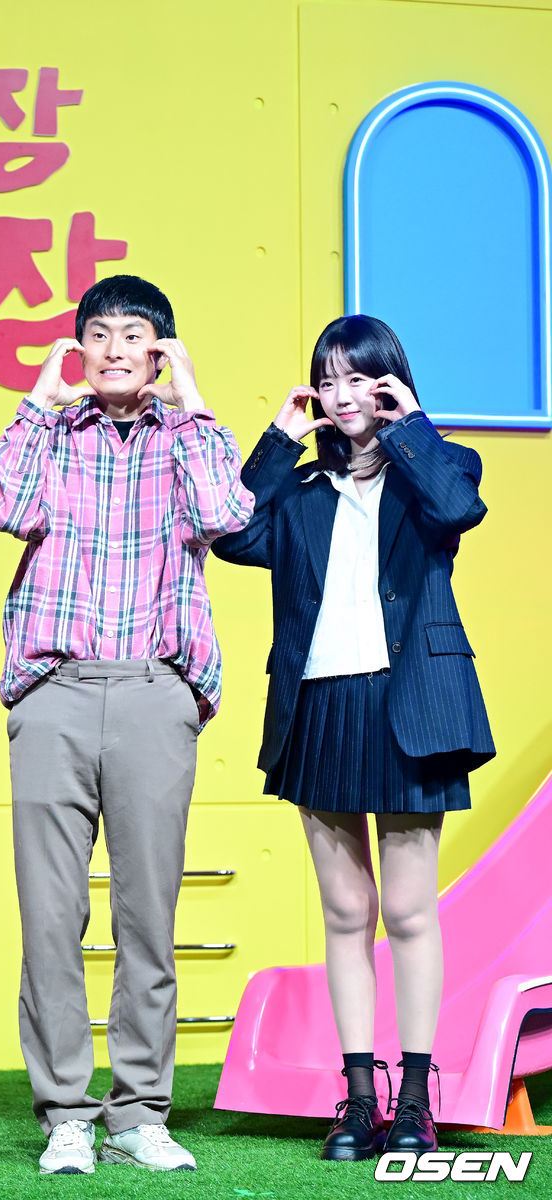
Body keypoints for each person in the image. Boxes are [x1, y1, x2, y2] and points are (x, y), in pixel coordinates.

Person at [0, 275, 254, 1174]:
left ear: (160, 351)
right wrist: (36, 401)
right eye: (99, 334)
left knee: (148, 917)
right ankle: (67, 1114)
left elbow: (224, 516)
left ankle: (137, 1114)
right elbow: (3, 509)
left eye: (135, 335)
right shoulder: (51, 433)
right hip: (54, 689)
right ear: (80, 348)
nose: (115, 349)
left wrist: (193, 396)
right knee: (50, 917)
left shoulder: (191, 437)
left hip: (153, 689)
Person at [212, 315, 495, 1161]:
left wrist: (410, 426)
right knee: (346, 912)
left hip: (411, 705)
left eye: (358, 378)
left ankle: (415, 1101)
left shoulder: (437, 467)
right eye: (327, 380)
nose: (341, 395)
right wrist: (277, 441)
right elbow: (230, 532)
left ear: (388, 384)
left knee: (407, 910)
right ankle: (359, 1099)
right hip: (322, 707)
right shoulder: (300, 491)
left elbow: (459, 507)